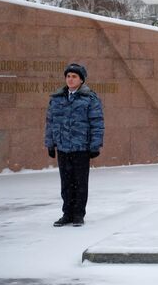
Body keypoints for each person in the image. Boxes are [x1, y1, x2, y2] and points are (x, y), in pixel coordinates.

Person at [44, 63, 104, 227]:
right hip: (63, 147)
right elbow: (50, 123)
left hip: (81, 147)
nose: (70, 79)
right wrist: (50, 144)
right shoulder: (57, 98)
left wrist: (95, 146)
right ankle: (67, 214)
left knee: (80, 182)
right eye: (68, 76)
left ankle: (78, 214)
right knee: (66, 183)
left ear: (81, 80)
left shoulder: (90, 98)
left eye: (74, 76)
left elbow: (97, 123)